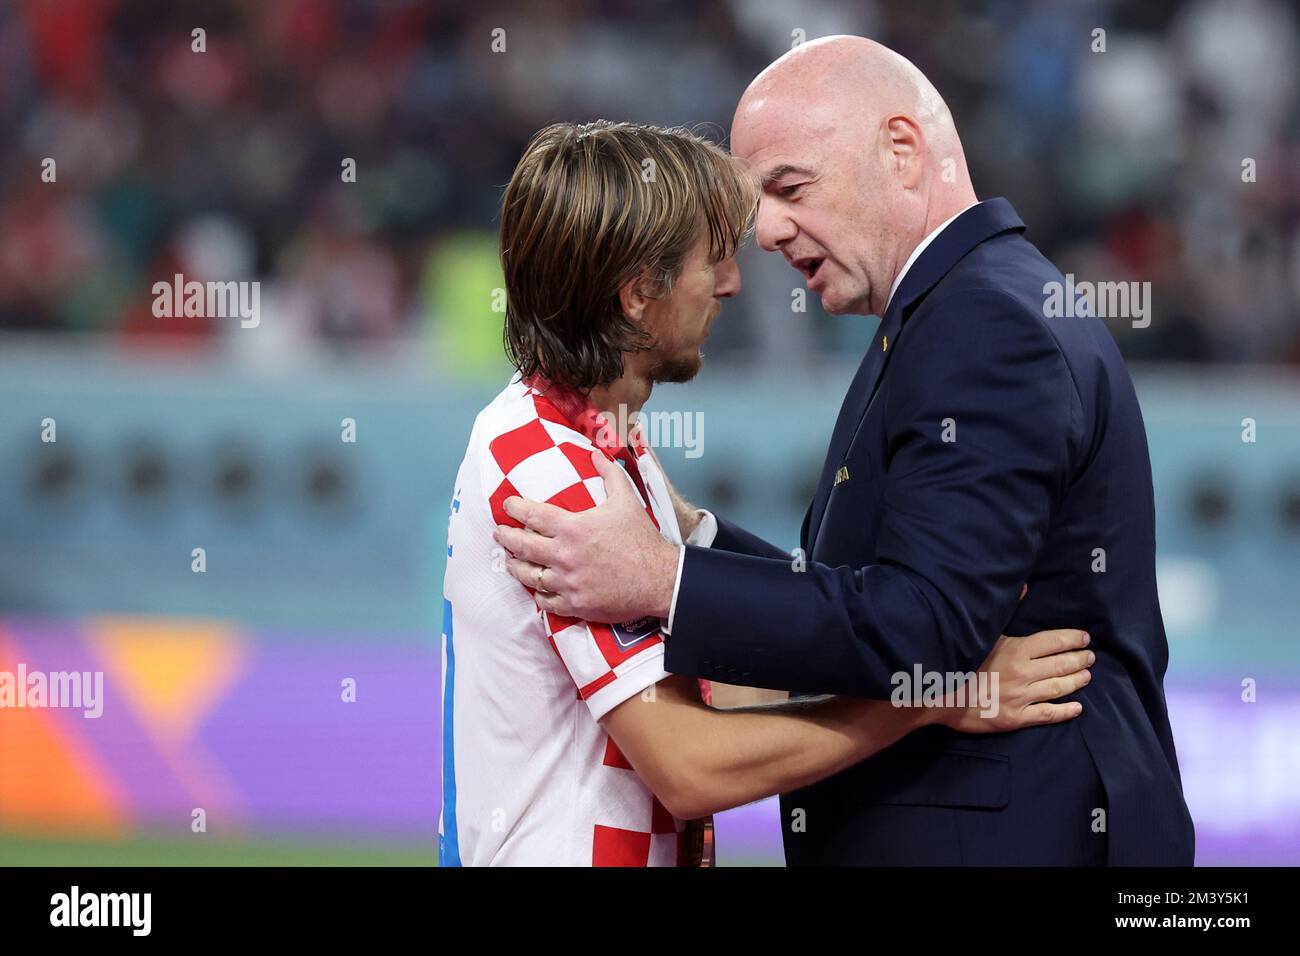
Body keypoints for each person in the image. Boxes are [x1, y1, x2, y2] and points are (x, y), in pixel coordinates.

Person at [495, 38, 1195, 866]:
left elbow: (925, 626)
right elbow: (876, 592)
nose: (764, 236)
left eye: (789, 189)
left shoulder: (981, 323)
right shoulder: (959, 305)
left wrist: (662, 578)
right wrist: (700, 542)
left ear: (902, 152)